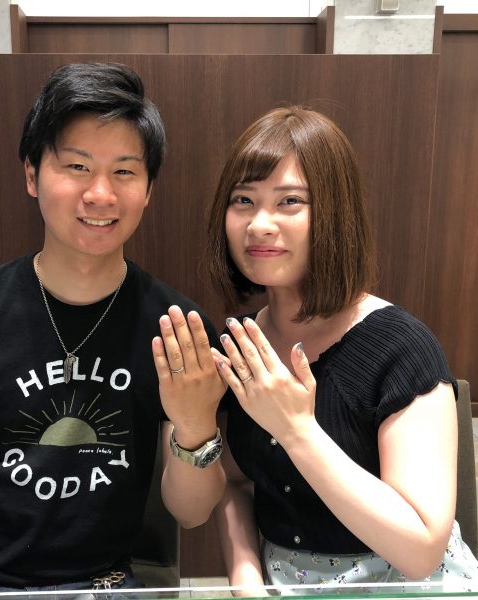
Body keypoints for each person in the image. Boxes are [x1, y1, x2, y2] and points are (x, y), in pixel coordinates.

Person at [0, 62, 225, 595]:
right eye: (77, 166)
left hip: (104, 584)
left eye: (125, 171)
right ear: (31, 174)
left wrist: (195, 424)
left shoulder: (177, 328)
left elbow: (193, 512)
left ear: (149, 189)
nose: (100, 194)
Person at [205, 106, 478, 594]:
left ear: (335, 213)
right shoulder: (241, 345)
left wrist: (296, 430)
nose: (259, 224)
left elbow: (420, 550)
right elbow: (237, 482)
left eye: (290, 201)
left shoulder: (401, 347)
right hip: (284, 583)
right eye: (243, 200)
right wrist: (246, 582)